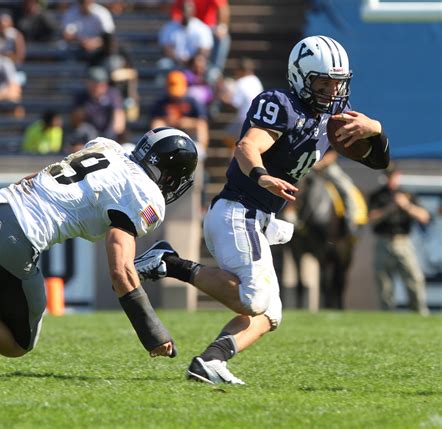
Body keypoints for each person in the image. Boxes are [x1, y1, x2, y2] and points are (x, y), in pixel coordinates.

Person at [134, 35, 390, 384]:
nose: (331, 90)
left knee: (270, 314)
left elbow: (378, 161)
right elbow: (247, 145)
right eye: (323, 82)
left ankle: (211, 361)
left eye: (337, 83)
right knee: (254, 300)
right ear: (301, 76)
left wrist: (376, 129)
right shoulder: (280, 103)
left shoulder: (330, 118)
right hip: (238, 211)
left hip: (258, 218)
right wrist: (263, 176)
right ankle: (169, 262)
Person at [0, 127, 198, 358]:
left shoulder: (107, 147)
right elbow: (121, 271)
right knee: (18, 343)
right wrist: (153, 333)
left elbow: (36, 178)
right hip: (13, 235)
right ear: (170, 175)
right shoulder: (144, 193)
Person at [367, 162, 430, 315]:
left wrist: (406, 206)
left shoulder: (407, 194)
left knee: (414, 278)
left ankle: (419, 312)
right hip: (383, 241)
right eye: (388, 176)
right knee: (384, 283)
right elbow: (370, 219)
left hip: (403, 242)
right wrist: (390, 208)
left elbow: (424, 217)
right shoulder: (377, 195)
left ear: (398, 176)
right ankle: (387, 315)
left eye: (393, 176)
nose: (391, 179)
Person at [150, 70, 209, 157]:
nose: (176, 96)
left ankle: (199, 153)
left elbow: (202, 124)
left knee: (200, 127)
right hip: (168, 138)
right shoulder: (161, 103)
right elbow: (155, 124)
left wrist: (184, 122)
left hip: (190, 139)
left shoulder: (192, 102)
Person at [218, 57, 263, 154]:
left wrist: (221, 96)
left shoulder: (241, 82)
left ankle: (235, 157)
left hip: (244, 118)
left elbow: (234, 104)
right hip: (257, 118)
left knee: (229, 137)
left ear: (241, 70)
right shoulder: (256, 80)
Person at [71, 66, 125, 140]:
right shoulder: (82, 97)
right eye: (93, 84)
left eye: (100, 84)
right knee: (83, 129)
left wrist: (110, 138)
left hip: (109, 135)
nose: (97, 87)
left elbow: (119, 123)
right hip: (90, 136)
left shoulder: (112, 94)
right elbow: (76, 123)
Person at [61, 0, 117, 66]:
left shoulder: (101, 12)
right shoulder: (71, 13)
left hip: (100, 49)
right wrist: (83, 42)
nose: (85, 4)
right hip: (77, 48)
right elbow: (67, 35)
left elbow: (109, 36)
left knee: (112, 59)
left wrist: (95, 43)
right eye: (82, 2)